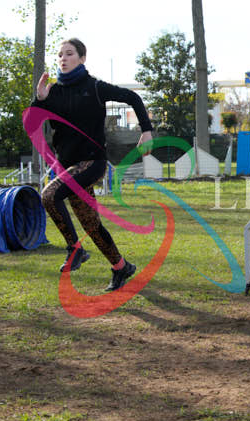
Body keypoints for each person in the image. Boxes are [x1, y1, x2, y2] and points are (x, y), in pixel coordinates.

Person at [33, 38, 153, 292]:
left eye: (69, 54)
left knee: (49, 195)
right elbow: (33, 123)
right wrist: (40, 100)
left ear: (82, 58)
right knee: (91, 224)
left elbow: (132, 97)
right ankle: (121, 267)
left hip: (92, 162)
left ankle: (75, 249)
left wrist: (147, 130)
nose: (63, 59)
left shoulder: (95, 87)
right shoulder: (53, 92)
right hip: (68, 168)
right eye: (60, 55)